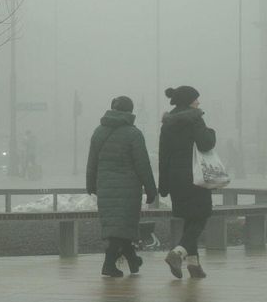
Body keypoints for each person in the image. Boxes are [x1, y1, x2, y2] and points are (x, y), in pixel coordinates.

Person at [86, 96, 158, 277]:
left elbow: (92, 162)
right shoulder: (133, 134)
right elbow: (142, 164)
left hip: (105, 187)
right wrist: (151, 189)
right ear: (130, 112)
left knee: (117, 226)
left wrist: (91, 185)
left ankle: (133, 260)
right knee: (122, 225)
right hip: (128, 189)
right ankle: (109, 264)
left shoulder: (98, 132)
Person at [158, 85, 217, 279]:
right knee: (201, 215)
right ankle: (178, 253)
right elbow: (205, 143)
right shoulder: (195, 119)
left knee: (190, 218)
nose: (198, 103)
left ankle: (194, 265)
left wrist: (164, 184)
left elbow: (163, 155)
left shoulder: (167, 124)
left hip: (176, 178)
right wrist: (211, 131)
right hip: (195, 176)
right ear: (189, 101)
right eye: (196, 99)